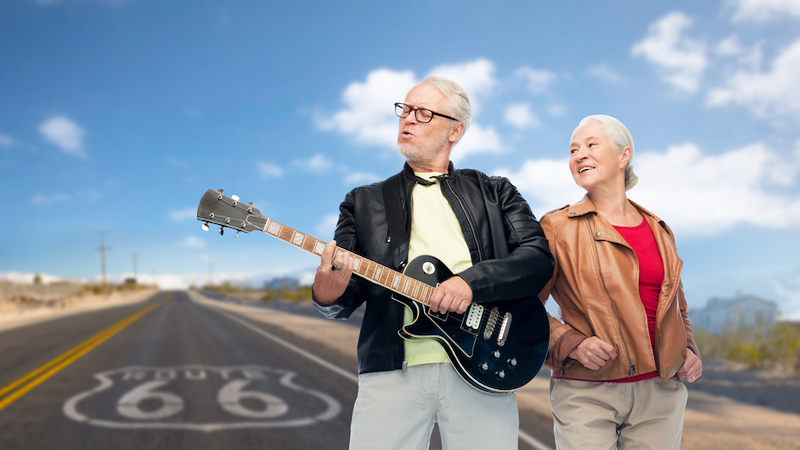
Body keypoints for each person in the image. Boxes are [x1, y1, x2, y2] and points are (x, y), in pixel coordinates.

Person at [312, 76, 554, 450]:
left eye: (423, 113)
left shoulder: (495, 191)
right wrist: (327, 295)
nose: (407, 119)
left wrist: (472, 282)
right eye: (405, 109)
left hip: (485, 363)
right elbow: (344, 297)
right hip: (391, 371)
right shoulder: (363, 201)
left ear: (455, 130)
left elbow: (537, 259)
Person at [538, 114, 703, 449]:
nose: (579, 155)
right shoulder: (556, 228)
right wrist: (571, 343)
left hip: (661, 394)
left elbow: (677, 307)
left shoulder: (659, 229)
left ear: (623, 155)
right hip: (587, 392)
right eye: (573, 150)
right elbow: (523, 305)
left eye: (590, 145)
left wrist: (688, 349)